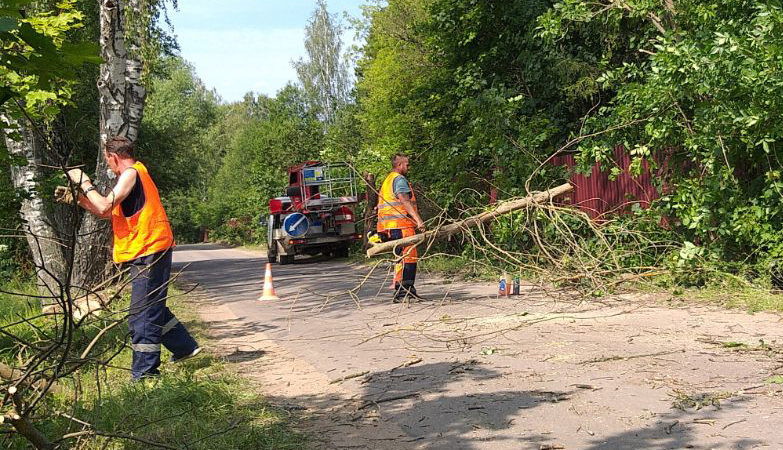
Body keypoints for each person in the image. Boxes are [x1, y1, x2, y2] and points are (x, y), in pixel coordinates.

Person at [61, 135, 200, 380]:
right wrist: (79, 200)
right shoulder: (134, 175)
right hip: (147, 249)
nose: (108, 165)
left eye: (107, 160)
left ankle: (145, 373)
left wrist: (85, 183)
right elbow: (108, 213)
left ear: (113, 156)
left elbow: (104, 205)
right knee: (151, 306)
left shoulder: (131, 174)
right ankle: (184, 347)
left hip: (149, 249)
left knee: (142, 314)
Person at [377, 154, 426, 302]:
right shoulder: (399, 180)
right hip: (402, 225)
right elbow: (404, 200)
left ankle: (401, 290)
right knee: (408, 258)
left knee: (400, 259)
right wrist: (418, 220)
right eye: (406, 164)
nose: (408, 167)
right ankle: (405, 291)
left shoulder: (388, 180)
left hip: (392, 226)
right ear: (399, 165)